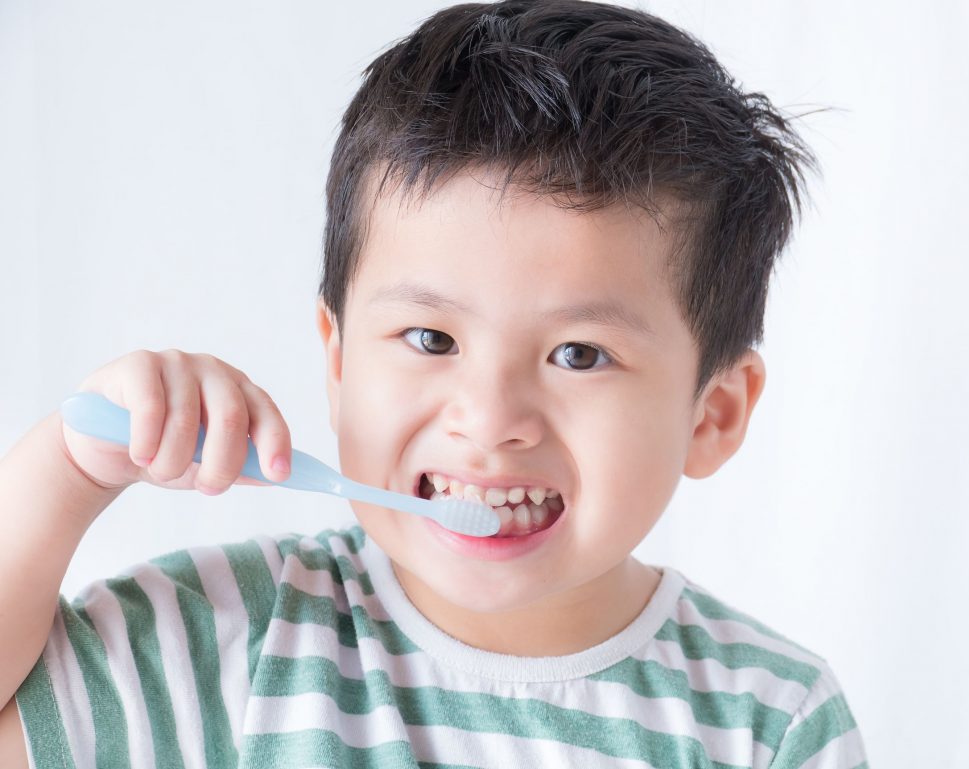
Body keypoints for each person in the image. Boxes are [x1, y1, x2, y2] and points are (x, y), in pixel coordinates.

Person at [0, 1, 871, 766]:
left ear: (711, 414)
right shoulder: (229, 639)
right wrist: (68, 471)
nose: (489, 421)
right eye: (430, 337)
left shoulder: (772, 721)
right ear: (338, 362)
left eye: (579, 354)